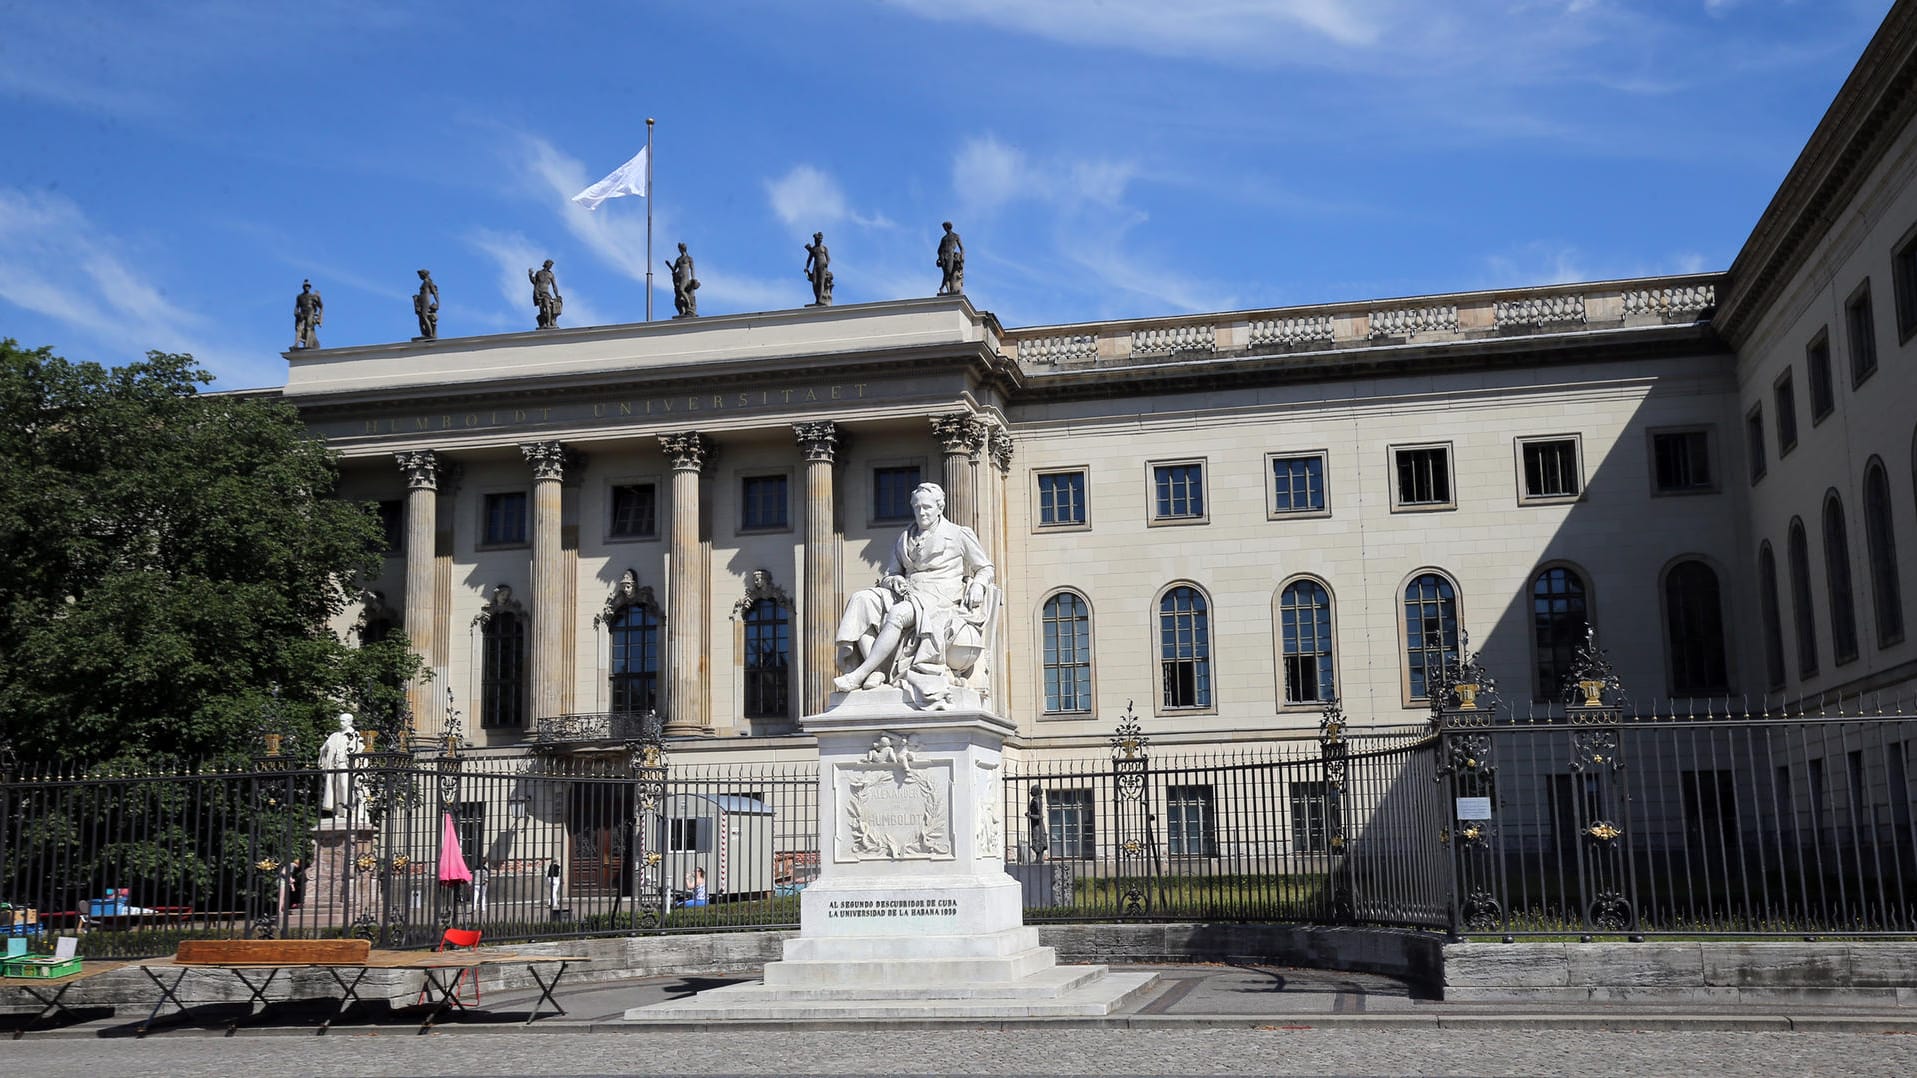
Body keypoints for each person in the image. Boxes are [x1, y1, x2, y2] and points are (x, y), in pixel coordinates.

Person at [832, 482, 995, 706]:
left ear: (940, 507)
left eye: (927, 507)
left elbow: (985, 568)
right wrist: (895, 580)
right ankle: (877, 671)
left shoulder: (958, 534)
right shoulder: (904, 537)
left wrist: (978, 585)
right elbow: (890, 573)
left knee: (898, 614)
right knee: (861, 600)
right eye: (917, 507)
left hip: (939, 597)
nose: (922, 512)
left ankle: (860, 674)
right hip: (908, 592)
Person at [317, 712, 361, 818]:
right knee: (336, 788)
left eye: (343, 721)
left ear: (350, 722)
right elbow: (323, 749)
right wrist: (325, 748)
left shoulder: (355, 735)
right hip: (334, 765)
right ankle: (339, 811)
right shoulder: (334, 735)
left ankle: (349, 810)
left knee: (345, 786)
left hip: (345, 765)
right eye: (340, 720)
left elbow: (359, 750)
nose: (340, 723)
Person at [666, 242, 699, 318]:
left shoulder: (689, 258)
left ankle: (689, 304)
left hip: (685, 277)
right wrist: (669, 265)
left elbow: (692, 268)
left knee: (681, 290)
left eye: (680, 248)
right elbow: (674, 269)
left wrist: (693, 278)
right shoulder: (678, 259)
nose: (679, 250)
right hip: (679, 277)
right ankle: (684, 310)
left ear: (682, 249)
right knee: (679, 293)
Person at [529, 259, 562, 328]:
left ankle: (549, 323)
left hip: (546, 293)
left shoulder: (551, 274)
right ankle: (544, 323)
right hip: (538, 292)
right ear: (546, 264)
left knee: (547, 306)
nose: (550, 266)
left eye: (551, 265)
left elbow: (554, 286)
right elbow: (534, 281)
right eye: (550, 264)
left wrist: (557, 295)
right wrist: (530, 275)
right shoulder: (539, 273)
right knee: (541, 308)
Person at [803, 232, 833, 306]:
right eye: (817, 240)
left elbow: (828, 258)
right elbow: (809, 260)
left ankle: (819, 299)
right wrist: (806, 267)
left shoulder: (824, 248)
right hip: (815, 266)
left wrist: (827, 263)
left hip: (822, 266)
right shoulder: (813, 249)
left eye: (819, 240)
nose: (818, 241)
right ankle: (817, 299)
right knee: (814, 283)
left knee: (821, 282)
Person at [936, 221, 964, 295]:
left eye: (944, 227)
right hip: (943, 256)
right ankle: (948, 291)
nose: (944, 229)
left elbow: (962, 248)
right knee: (946, 273)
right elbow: (939, 249)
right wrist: (939, 258)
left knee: (949, 272)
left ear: (948, 227)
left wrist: (962, 256)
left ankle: (942, 287)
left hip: (950, 255)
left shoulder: (956, 236)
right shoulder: (944, 238)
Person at [294, 279, 323, 349]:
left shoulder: (313, 296)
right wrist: (296, 313)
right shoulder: (299, 296)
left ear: (310, 288)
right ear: (303, 287)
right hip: (302, 313)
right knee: (299, 329)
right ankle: (296, 344)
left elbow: (321, 306)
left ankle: (307, 345)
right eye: (305, 286)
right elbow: (297, 306)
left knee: (308, 328)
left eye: (308, 286)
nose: (307, 287)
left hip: (310, 312)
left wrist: (319, 297)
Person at [413, 269, 439, 340]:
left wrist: (437, 303)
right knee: (421, 317)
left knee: (425, 316)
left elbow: (434, 292)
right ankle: (424, 334)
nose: (420, 276)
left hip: (425, 300)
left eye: (420, 275)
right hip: (421, 300)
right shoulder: (424, 282)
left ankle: (430, 334)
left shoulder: (428, 281)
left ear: (424, 274)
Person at [1026, 786, 1048, 863]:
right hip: (1035, 825)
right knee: (1036, 840)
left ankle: (1039, 858)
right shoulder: (1035, 800)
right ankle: (1038, 858)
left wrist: (1030, 815)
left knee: (1038, 840)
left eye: (1031, 791)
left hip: (1038, 825)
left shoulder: (1037, 801)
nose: (1030, 792)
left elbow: (1040, 816)